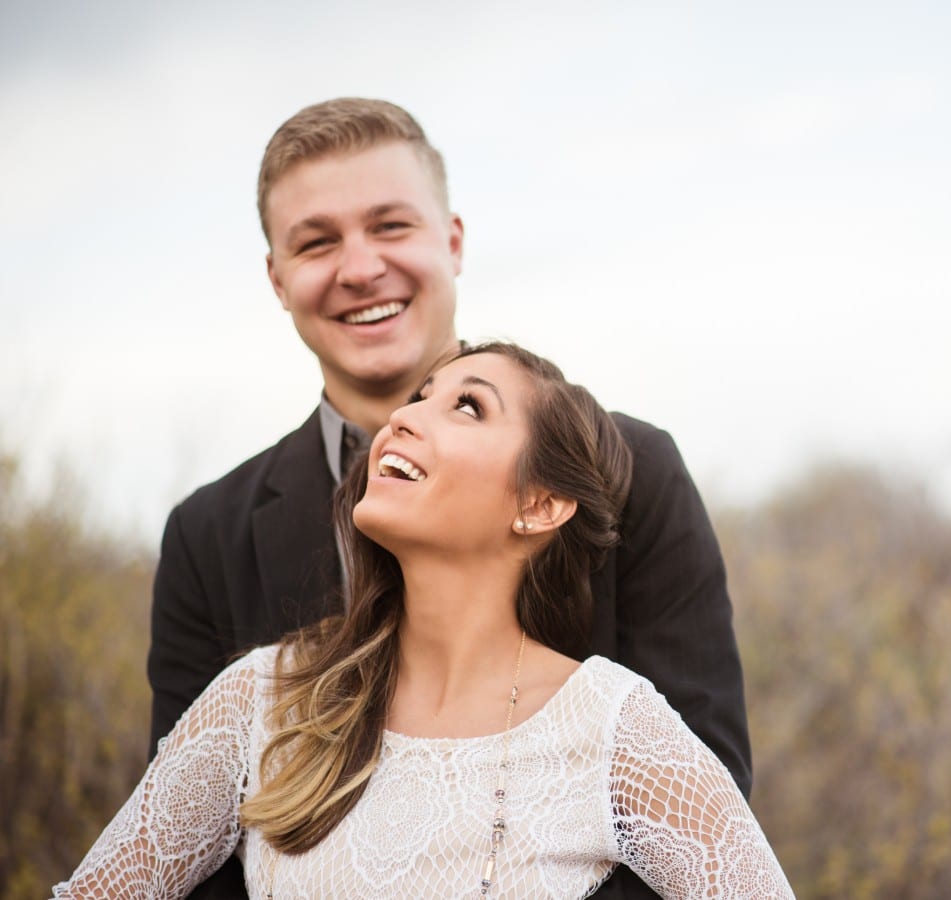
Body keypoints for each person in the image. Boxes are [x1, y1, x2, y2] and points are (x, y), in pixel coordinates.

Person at [147, 99, 750, 899]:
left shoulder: (633, 467)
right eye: (317, 241)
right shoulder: (204, 537)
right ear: (278, 278)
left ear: (453, 241)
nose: (360, 268)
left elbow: (702, 804)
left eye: (390, 226)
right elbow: (192, 850)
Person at [56, 343, 793, 898]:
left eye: (467, 406)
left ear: (539, 504)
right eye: (418, 398)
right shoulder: (263, 698)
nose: (403, 416)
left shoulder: (615, 730)